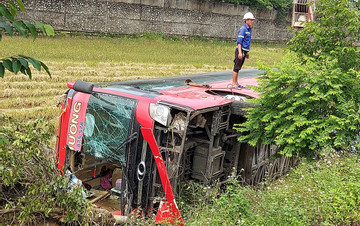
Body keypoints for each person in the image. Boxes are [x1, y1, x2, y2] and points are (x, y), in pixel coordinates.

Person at [232, 12, 255, 89]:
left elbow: (246, 42)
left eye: (252, 20)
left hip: (244, 51)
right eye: (251, 20)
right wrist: (240, 52)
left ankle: (236, 83)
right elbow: (239, 42)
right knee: (236, 66)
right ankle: (233, 83)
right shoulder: (243, 29)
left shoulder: (249, 29)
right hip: (240, 50)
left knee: (239, 67)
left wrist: (247, 52)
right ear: (246, 20)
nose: (252, 21)